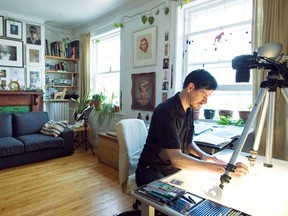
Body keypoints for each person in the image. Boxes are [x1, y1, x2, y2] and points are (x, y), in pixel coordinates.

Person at [135, 69, 249, 187]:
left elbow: (185, 139)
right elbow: (177, 159)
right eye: (204, 95)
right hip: (152, 171)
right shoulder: (165, 111)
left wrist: (202, 154)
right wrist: (223, 169)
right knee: (182, 200)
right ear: (190, 88)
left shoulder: (189, 109)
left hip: (172, 169)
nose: (205, 101)